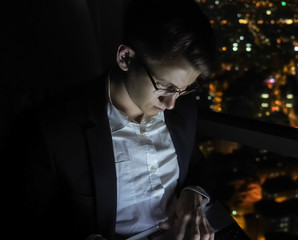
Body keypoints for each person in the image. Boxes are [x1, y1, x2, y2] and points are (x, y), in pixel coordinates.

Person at [6, 0, 217, 239]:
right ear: (125, 57)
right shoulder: (48, 130)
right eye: (165, 87)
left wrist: (193, 192)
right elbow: (23, 223)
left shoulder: (182, 108)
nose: (171, 104)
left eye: (183, 89)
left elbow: (197, 164)